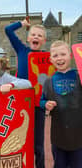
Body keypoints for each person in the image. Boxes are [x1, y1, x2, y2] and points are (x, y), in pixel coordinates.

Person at [5, 19, 46, 168]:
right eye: (33, 34)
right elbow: (8, 30)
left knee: (38, 145)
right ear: (28, 38)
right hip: (20, 102)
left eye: (39, 36)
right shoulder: (21, 50)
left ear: (44, 40)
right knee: (19, 140)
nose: (36, 37)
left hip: (37, 105)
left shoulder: (47, 57)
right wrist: (22, 23)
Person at [40, 40, 82, 168]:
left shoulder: (79, 76)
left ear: (70, 55)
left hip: (79, 136)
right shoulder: (48, 82)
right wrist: (46, 104)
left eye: (63, 54)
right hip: (58, 136)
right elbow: (42, 100)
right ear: (51, 59)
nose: (59, 58)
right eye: (55, 56)